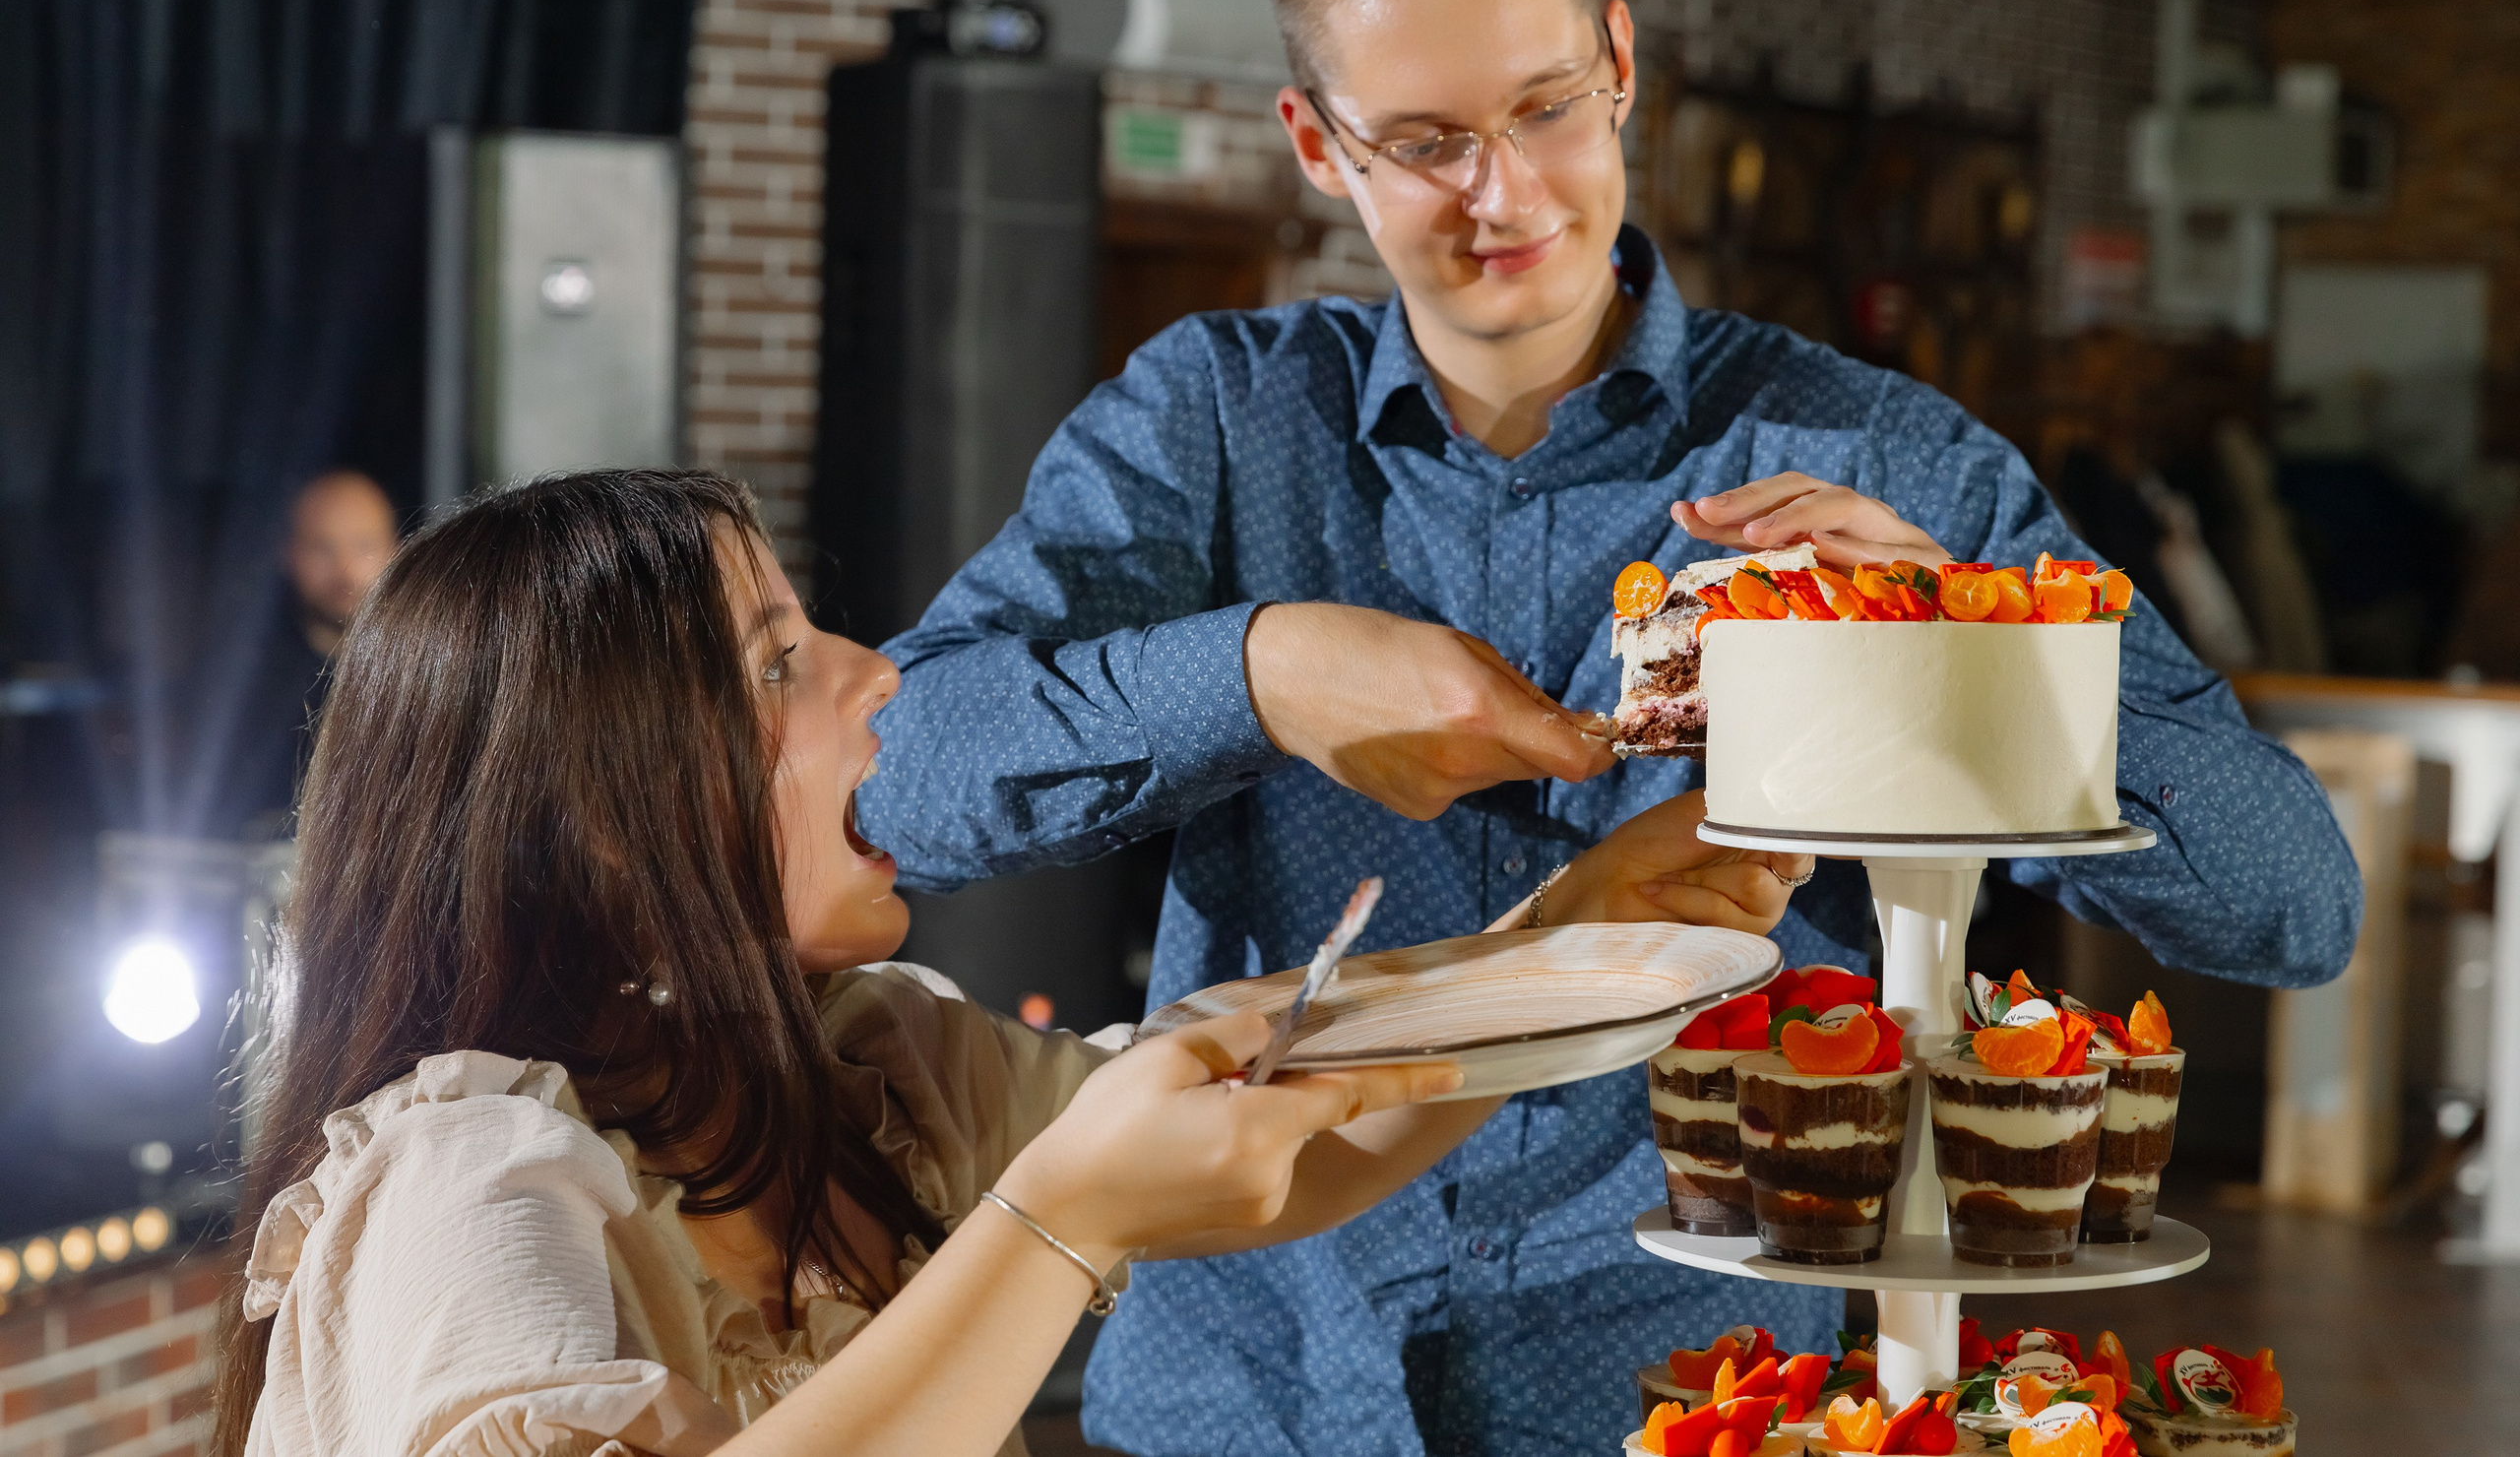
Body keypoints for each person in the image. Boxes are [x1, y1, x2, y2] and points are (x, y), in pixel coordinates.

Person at [854, 0, 2363, 1457]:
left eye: (1547, 108)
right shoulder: (1210, 424)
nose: (1501, 194)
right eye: (1421, 140)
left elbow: (2290, 903)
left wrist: (1961, 654)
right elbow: (909, 774)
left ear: (1622, 62)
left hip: (1693, 1387)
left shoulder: (1891, 462)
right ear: (1314, 142)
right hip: (1256, 1372)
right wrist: (1260, 668)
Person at [208, 469, 1808, 1457]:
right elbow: (1116, 1175)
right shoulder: (457, 1173)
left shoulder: (874, 1062)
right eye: (778, 664)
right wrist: (1063, 1214)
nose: (876, 671)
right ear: (607, 820)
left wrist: (1567, 933)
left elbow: (1278, 1125)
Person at [210, 469, 400, 837]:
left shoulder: (430, 673)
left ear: (396, 551)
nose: (345, 570)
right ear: (289, 554)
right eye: (322, 548)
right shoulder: (246, 685)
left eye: (365, 546)